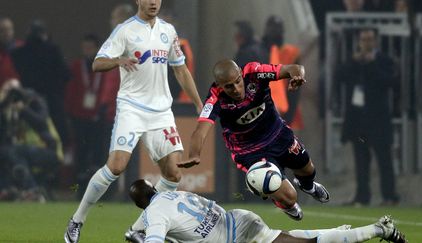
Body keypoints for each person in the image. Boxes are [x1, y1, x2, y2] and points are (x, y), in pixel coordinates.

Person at [64, 0, 203, 242]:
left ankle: (138, 229)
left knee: (173, 174)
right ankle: (77, 220)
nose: (153, 2)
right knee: (116, 166)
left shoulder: (168, 31)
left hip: (161, 112)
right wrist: (118, 61)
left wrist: (199, 104)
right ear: (138, 0)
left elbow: (180, 70)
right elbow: (98, 63)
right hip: (132, 108)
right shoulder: (124, 30)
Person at [178, 59, 329, 221]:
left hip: (278, 134)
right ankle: (283, 203)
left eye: (238, 82)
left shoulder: (255, 72)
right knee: (290, 197)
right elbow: (200, 130)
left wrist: (297, 77)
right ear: (219, 86)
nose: (236, 89)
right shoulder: (215, 98)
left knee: (308, 171)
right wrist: (194, 154)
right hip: (250, 151)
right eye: (229, 86)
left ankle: (308, 186)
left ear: (241, 74)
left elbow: (295, 68)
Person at [124, 179, 407, 243]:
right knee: (287, 236)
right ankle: (336, 232)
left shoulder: (154, 216)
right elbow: (139, 226)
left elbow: (151, 234)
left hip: (236, 236)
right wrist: (133, 233)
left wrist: (138, 236)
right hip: (237, 218)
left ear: (139, 204)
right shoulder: (170, 195)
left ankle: (379, 229)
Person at [336, 28, 399, 206]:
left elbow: (390, 82)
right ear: (359, 42)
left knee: (384, 160)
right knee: (361, 161)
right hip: (359, 122)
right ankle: (363, 197)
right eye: (363, 39)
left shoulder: (384, 61)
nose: (367, 43)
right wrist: (353, 62)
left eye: (370, 39)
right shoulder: (354, 61)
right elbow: (339, 76)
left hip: (378, 120)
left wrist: (371, 64)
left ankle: (389, 196)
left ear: (376, 41)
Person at [64, 34, 119, 197]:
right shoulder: (76, 66)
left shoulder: (104, 66)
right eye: (85, 48)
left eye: (90, 48)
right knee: (80, 153)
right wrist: (71, 113)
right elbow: (71, 91)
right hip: (79, 118)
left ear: (96, 49)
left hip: (98, 117)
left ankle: (98, 191)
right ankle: (78, 190)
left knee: (98, 154)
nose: (87, 51)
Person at [0, 80, 63, 201]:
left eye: (14, 91)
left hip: (48, 150)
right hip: (21, 152)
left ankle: (31, 190)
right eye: (8, 91)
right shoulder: (5, 109)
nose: (12, 96)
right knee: (7, 153)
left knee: (14, 152)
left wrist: (23, 110)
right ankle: (7, 189)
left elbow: (41, 122)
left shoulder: (34, 102)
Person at [11, 19, 71, 143]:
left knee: (33, 128)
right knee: (57, 130)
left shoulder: (19, 53)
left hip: (29, 97)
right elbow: (66, 74)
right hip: (52, 97)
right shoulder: (53, 50)